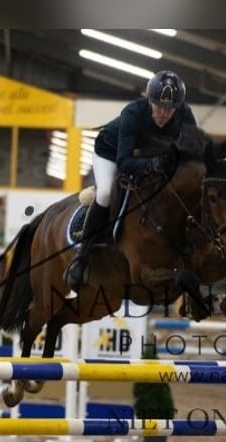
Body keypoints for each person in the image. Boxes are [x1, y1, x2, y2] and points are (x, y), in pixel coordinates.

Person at [64, 70, 197, 287]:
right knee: (106, 193)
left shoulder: (185, 114)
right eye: (159, 106)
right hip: (111, 152)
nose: (164, 113)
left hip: (147, 155)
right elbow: (124, 162)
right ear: (149, 100)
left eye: (170, 109)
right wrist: (154, 164)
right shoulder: (132, 113)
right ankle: (82, 257)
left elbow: (194, 150)